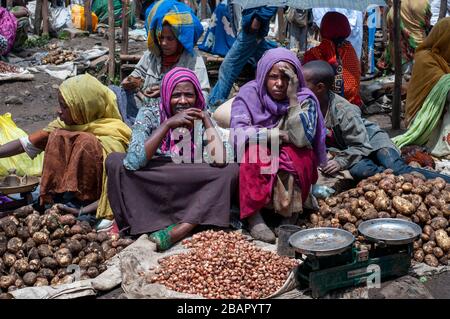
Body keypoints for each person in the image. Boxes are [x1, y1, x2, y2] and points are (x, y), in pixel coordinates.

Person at [106, 67, 238, 251]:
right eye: (176, 95)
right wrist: (167, 124)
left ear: (197, 96)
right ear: (167, 94)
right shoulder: (150, 113)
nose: (183, 101)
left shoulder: (200, 114)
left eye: (189, 95)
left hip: (188, 175)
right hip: (156, 174)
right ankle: (146, 220)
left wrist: (206, 120)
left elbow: (222, 160)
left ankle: (183, 227)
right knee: (115, 161)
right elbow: (134, 161)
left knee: (230, 171)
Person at [0, 74, 132, 223]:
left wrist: (82, 210)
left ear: (83, 108)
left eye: (64, 106)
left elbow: (115, 189)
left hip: (92, 204)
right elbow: (25, 144)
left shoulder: (113, 137)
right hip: (61, 200)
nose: (58, 111)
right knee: (57, 135)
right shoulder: (63, 126)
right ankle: (55, 199)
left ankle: (79, 206)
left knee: (85, 142)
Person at [230, 48, 327, 243]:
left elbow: (301, 138)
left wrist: (292, 99)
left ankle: (290, 213)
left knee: (302, 157)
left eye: (286, 78)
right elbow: (239, 132)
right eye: (273, 77)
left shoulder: (304, 98)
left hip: (289, 148)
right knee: (254, 154)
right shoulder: (249, 94)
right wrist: (275, 134)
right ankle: (254, 216)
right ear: (263, 75)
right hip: (262, 146)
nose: (280, 84)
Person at [303, 60, 450, 183]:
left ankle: (444, 181)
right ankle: (387, 176)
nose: (298, 88)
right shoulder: (306, 105)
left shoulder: (344, 111)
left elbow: (361, 144)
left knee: (397, 168)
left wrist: (340, 162)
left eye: (303, 84)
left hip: (372, 141)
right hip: (350, 150)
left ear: (320, 88)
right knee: (360, 170)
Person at [115, 0, 210, 126]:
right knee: (115, 91)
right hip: (145, 108)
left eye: (170, 39)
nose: (164, 43)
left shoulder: (192, 59)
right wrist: (133, 81)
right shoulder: (152, 54)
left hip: (175, 116)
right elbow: (138, 72)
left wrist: (166, 91)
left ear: (180, 40)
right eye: (161, 38)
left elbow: (203, 95)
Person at [393, 17, 450, 158]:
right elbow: (446, 90)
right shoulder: (425, 58)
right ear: (444, 38)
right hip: (422, 117)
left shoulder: (446, 58)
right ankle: (442, 146)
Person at [207, 5, 278, 111]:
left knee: (228, 66)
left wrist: (258, 19)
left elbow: (271, 3)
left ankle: (215, 104)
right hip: (249, 27)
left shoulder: (255, 23)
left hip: (251, 30)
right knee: (266, 59)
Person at [303, 11, 362, 106]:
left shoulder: (316, 52)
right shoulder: (349, 48)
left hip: (326, 105)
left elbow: (306, 79)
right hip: (352, 102)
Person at [378, 0, 431, 74]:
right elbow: (427, 25)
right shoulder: (425, 2)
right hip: (421, 48)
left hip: (402, 54)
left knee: (405, 81)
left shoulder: (395, 6)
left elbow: (390, 28)